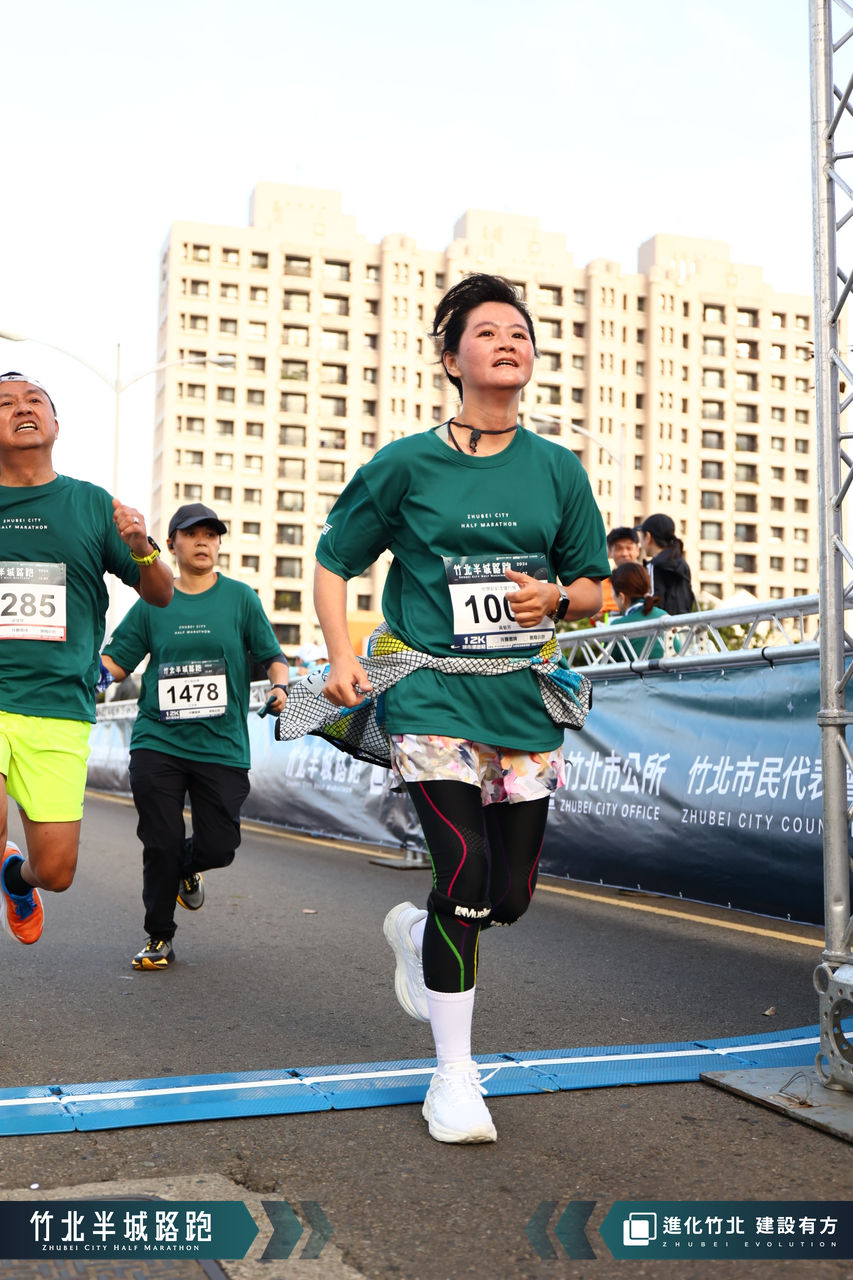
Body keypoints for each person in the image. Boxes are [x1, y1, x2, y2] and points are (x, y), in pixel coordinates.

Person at [309, 274, 609, 1144]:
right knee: (467, 873)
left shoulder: (557, 469)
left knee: (505, 897)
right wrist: (340, 657)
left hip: (521, 697)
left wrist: (556, 600)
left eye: (519, 332)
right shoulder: (406, 464)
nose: (509, 341)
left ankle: (416, 932)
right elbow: (333, 561)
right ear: (451, 360)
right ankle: (453, 1078)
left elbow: (594, 588)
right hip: (431, 692)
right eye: (487, 331)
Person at [0, 372, 173, 945]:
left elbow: (161, 594)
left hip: (58, 704)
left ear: (55, 424)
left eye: (34, 400)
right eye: (6, 403)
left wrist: (141, 547)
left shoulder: (92, 504)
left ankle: (15, 877)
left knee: (55, 871)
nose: (22, 408)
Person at [101, 503, 289, 970]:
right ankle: (158, 936)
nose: (203, 541)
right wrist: (75, 674)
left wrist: (281, 686)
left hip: (221, 745)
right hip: (158, 742)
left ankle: (185, 869)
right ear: (172, 544)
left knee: (219, 847)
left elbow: (273, 656)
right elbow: (116, 664)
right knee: (160, 841)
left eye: (211, 533)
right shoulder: (153, 601)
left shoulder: (240, 598)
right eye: (192, 533)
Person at [608, 561, 672, 660]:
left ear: (622, 597)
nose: (612, 596)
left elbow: (606, 664)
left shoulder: (617, 626)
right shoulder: (664, 616)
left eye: (612, 592)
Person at [637, 513, 695, 615]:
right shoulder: (682, 564)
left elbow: (652, 604)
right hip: (685, 622)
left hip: (663, 623)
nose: (640, 543)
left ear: (648, 537)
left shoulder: (654, 566)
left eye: (641, 536)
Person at [596, 526, 641, 618]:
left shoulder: (648, 578)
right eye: (619, 548)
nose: (624, 553)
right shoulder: (602, 583)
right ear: (609, 551)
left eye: (629, 548)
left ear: (637, 550)